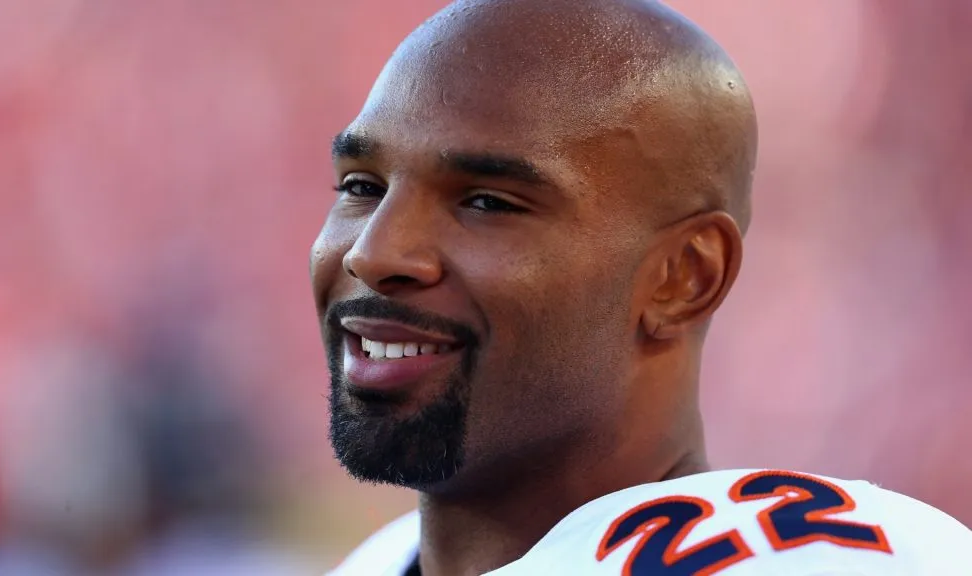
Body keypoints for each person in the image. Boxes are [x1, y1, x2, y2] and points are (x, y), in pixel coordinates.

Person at [309, 0, 972, 574]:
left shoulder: (823, 561)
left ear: (685, 277)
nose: (375, 253)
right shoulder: (374, 561)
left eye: (486, 202)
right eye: (362, 187)